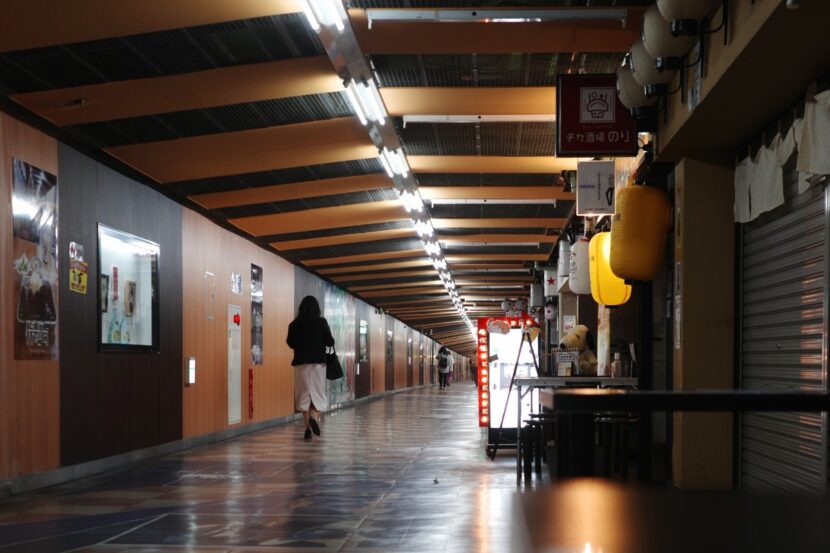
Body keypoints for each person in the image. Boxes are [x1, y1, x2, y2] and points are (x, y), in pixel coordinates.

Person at [286, 295, 334, 440]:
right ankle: (314, 416)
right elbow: (330, 341)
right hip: (318, 364)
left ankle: (307, 428)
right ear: (316, 308)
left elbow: (290, 343)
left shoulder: (294, 324)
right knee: (317, 394)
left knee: (303, 395)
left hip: (301, 364)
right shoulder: (321, 322)